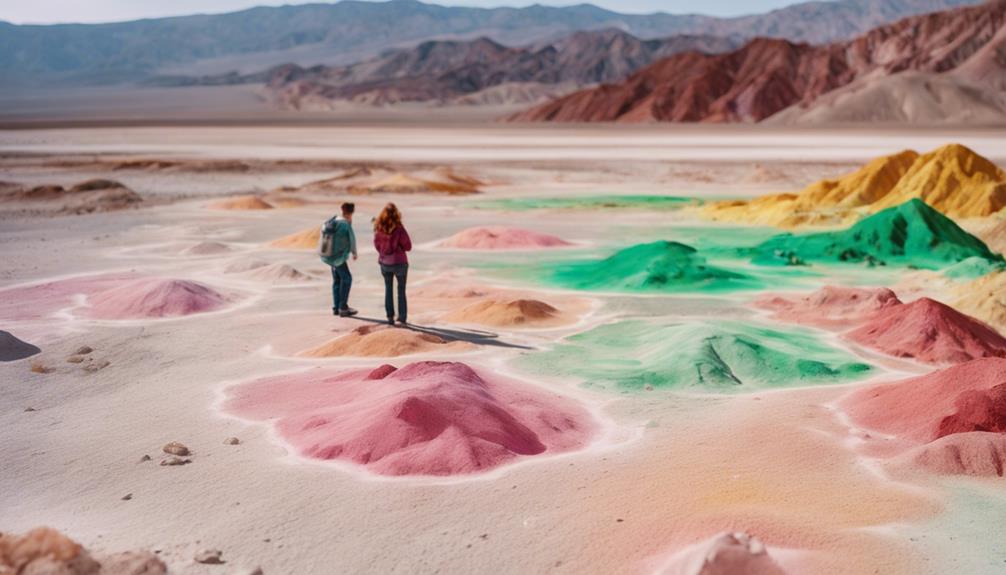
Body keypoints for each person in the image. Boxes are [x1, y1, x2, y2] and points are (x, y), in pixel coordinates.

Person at [372, 202, 412, 325]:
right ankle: (402, 318)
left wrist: (384, 252)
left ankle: (390, 317)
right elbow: (408, 246)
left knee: (388, 289)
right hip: (400, 262)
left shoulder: (379, 228)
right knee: (401, 290)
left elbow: (376, 245)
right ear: (396, 214)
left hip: (385, 263)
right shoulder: (400, 228)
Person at [320, 202, 358, 317]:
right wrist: (354, 253)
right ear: (351, 212)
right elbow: (352, 239)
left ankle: (336, 307)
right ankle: (343, 307)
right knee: (347, 279)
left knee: (337, 280)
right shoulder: (345, 224)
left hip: (328, 256)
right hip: (338, 258)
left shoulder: (333, 220)